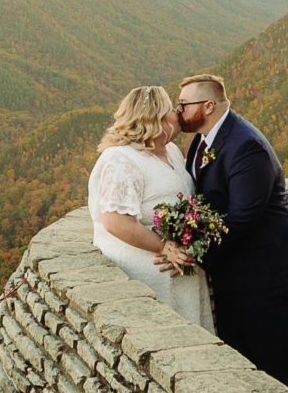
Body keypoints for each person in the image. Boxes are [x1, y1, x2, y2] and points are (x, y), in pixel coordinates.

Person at [177, 72, 288, 393]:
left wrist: (196, 254)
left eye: (183, 105)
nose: (178, 112)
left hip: (266, 269)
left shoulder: (245, 145)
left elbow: (242, 218)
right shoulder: (202, 142)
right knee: (242, 356)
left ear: (208, 106)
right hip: (235, 269)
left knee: (277, 361)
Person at [84, 85, 213, 331]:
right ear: (158, 120)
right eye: (173, 111)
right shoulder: (121, 159)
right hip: (147, 275)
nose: (179, 113)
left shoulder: (171, 151)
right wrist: (164, 246)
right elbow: (114, 220)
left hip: (180, 272)